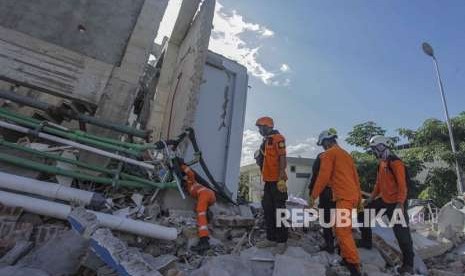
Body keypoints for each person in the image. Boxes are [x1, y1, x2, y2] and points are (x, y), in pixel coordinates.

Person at [358, 135, 415, 274]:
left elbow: (402, 186)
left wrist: (400, 203)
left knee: (402, 234)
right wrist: (371, 198)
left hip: (396, 203)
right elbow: (378, 183)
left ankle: (408, 264)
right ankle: (366, 241)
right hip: (383, 200)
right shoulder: (382, 163)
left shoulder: (395, 163)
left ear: (381, 147)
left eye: (374, 149)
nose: (373, 152)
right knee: (363, 215)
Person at [309, 129, 362, 276]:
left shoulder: (329, 154)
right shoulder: (346, 154)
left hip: (343, 197)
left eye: (323, 144)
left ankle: (354, 266)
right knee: (342, 229)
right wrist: (358, 199)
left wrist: (313, 195)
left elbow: (323, 177)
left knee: (342, 231)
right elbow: (355, 178)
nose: (323, 147)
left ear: (327, 141)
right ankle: (346, 258)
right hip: (349, 196)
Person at [254, 116, 288, 253]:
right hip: (268, 182)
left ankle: (281, 241)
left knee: (279, 211)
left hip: (277, 182)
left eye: (260, 128)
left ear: (267, 126)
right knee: (268, 210)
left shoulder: (278, 138)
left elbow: (282, 157)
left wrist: (281, 178)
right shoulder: (265, 141)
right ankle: (271, 238)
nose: (259, 130)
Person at [179, 160, 216, 253]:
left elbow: (190, 173)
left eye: (183, 184)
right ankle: (207, 219)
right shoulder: (191, 188)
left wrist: (181, 165)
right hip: (210, 196)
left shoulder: (190, 182)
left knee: (200, 212)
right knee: (202, 211)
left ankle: (204, 241)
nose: (183, 186)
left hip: (205, 194)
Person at [309, 152, 335, 253]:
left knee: (326, 219)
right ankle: (339, 246)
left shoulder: (321, 157)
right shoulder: (339, 159)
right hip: (339, 193)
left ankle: (329, 245)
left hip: (327, 193)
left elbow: (316, 176)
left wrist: (312, 194)